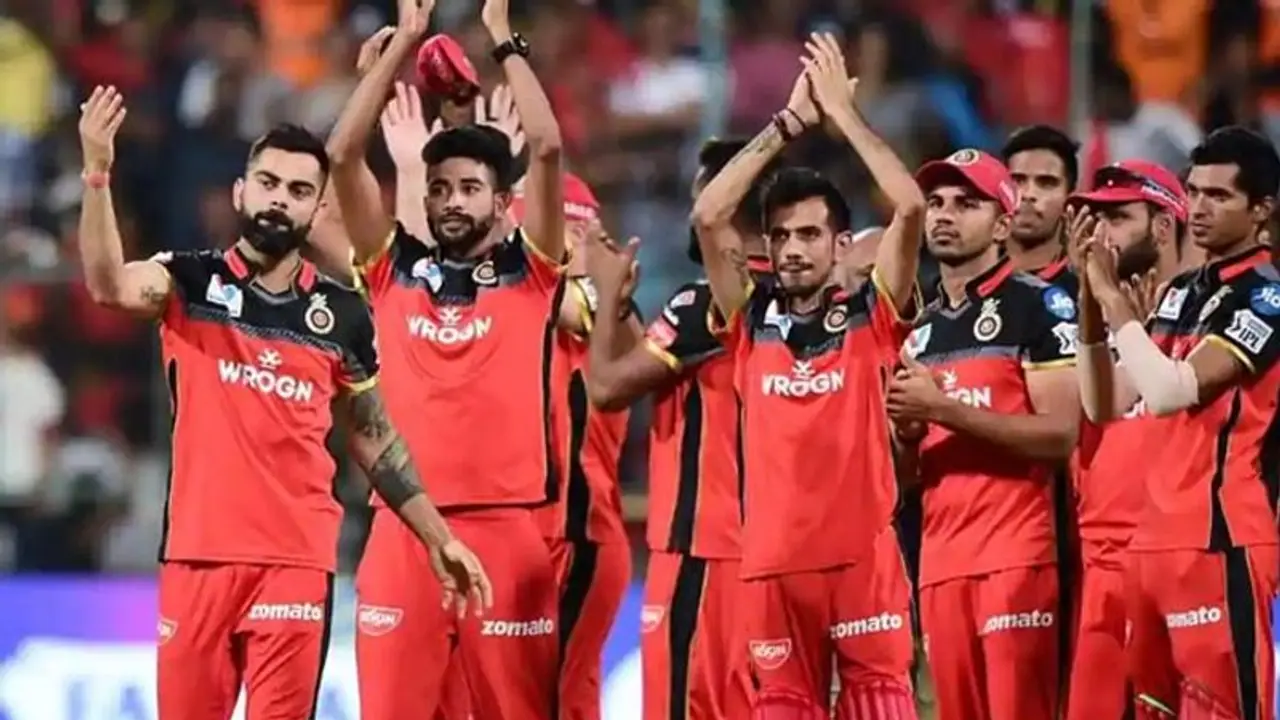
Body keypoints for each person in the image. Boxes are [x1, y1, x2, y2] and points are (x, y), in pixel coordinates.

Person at [75, 87, 490, 720]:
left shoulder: (342, 314)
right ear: (241, 193)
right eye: (268, 183)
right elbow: (109, 286)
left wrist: (440, 538)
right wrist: (98, 173)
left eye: (298, 191)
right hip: (197, 557)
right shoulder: (189, 282)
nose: (279, 199)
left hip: (296, 561)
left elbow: (374, 437)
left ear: (316, 208)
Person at [324, 0, 574, 715]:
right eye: (439, 189)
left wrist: (501, 39)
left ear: (503, 203)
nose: (451, 201)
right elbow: (341, 157)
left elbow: (548, 148)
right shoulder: (391, 270)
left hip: (507, 531)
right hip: (402, 531)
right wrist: (402, 45)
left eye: (469, 188)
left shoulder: (533, 274)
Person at [693, 34, 925, 716]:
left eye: (810, 235)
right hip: (770, 569)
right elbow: (708, 214)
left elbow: (910, 207)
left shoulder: (874, 313)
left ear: (840, 243)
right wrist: (789, 124)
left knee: (881, 705)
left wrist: (842, 115)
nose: (793, 249)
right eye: (782, 236)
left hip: (863, 564)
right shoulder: (748, 319)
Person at [1078, 126, 1280, 719]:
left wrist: (1114, 301)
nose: (1200, 207)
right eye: (1194, 192)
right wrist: (1092, 301)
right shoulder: (1181, 294)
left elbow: (1171, 391)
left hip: (1222, 540)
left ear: (1262, 209)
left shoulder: (1265, 299)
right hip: (1152, 544)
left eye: (1220, 195)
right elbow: (1105, 403)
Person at [584, 138, 776, 720]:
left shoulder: (701, 303)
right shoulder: (800, 298)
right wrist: (624, 310)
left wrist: (604, 298)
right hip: (771, 554)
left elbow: (607, 387)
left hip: (702, 552)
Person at [886, 149, 1079, 720]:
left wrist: (943, 410)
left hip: (1016, 558)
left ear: (1001, 225)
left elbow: (1061, 435)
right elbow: (904, 481)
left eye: (967, 204)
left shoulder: (1040, 305)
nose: (945, 215)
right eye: (937, 203)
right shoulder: (917, 330)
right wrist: (906, 436)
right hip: (940, 566)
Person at [1065, 159, 1190, 720]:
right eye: (1095, 219)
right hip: (1104, 564)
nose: (1100, 234)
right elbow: (1102, 405)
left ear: (1163, 226)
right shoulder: (1109, 313)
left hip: (1181, 558)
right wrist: (1093, 295)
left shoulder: (1202, 310)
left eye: (1118, 218)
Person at [527, 175, 637, 720]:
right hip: (529, 530)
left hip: (578, 532)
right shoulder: (521, 307)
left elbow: (577, 307)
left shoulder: (607, 306)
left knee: (561, 696)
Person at [1000, 124, 1080, 290]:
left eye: (1046, 183)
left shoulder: (1085, 288)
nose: (1028, 194)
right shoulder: (966, 281)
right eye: (1017, 180)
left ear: (1069, 197)